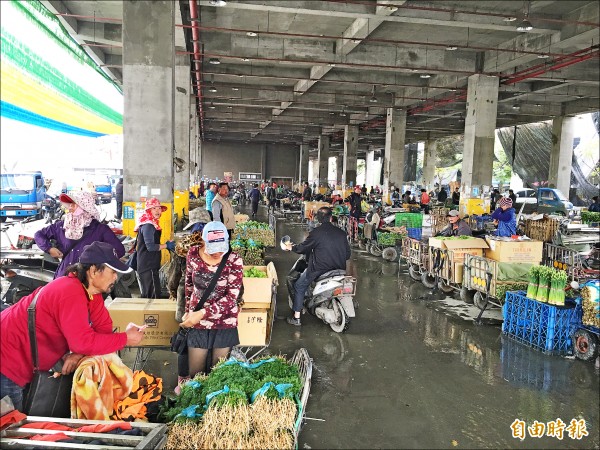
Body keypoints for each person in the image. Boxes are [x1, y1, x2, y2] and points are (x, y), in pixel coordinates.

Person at [0, 242, 145, 410]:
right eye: (112, 272)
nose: (115, 278)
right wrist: (125, 338)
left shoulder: (92, 293)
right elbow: (83, 342)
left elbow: (103, 329)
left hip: (24, 356)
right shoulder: (71, 292)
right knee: (11, 424)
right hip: (8, 357)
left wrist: (78, 354)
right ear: (93, 271)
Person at [179, 221, 243, 378]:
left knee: (218, 374)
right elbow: (189, 286)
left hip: (224, 322)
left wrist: (202, 313)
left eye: (221, 250)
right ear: (203, 240)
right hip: (197, 322)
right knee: (196, 374)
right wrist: (188, 311)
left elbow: (231, 297)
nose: (217, 254)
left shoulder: (234, 260)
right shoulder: (193, 254)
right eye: (213, 249)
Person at [283, 207, 351, 326]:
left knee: (299, 286)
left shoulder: (316, 233)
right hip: (339, 269)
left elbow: (303, 248)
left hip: (319, 269)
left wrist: (291, 247)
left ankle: (296, 318)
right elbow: (347, 255)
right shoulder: (341, 233)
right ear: (331, 217)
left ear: (318, 218)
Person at [34, 191, 125, 279]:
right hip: (64, 277)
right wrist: (49, 248)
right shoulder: (63, 226)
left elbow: (119, 250)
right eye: (69, 205)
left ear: (85, 207)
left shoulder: (100, 229)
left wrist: (98, 262)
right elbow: (39, 235)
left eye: (73, 205)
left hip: (87, 283)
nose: (69, 208)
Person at [134, 197, 174, 298]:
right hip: (148, 265)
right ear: (149, 210)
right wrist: (166, 245)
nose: (157, 211)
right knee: (153, 296)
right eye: (154, 208)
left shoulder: (151, 223)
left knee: (149, 294)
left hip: (149, 264)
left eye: (159, 208)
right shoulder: (148, 225)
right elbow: (150, 247)